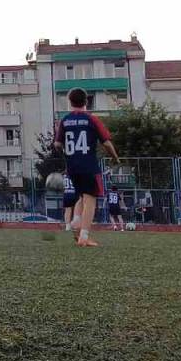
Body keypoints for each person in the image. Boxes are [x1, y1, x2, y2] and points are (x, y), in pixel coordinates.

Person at [51, 88, 120, 247]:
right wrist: (115, 157)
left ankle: (76, 221)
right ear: (86, 101)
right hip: (89, 165)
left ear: (70, 101)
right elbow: (107, 142)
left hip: (72, 167)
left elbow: (57, 144)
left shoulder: (65, 120)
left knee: (81, 196)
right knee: (90, 199)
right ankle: (84, 236)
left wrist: (67, 153)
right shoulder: (92, 120)